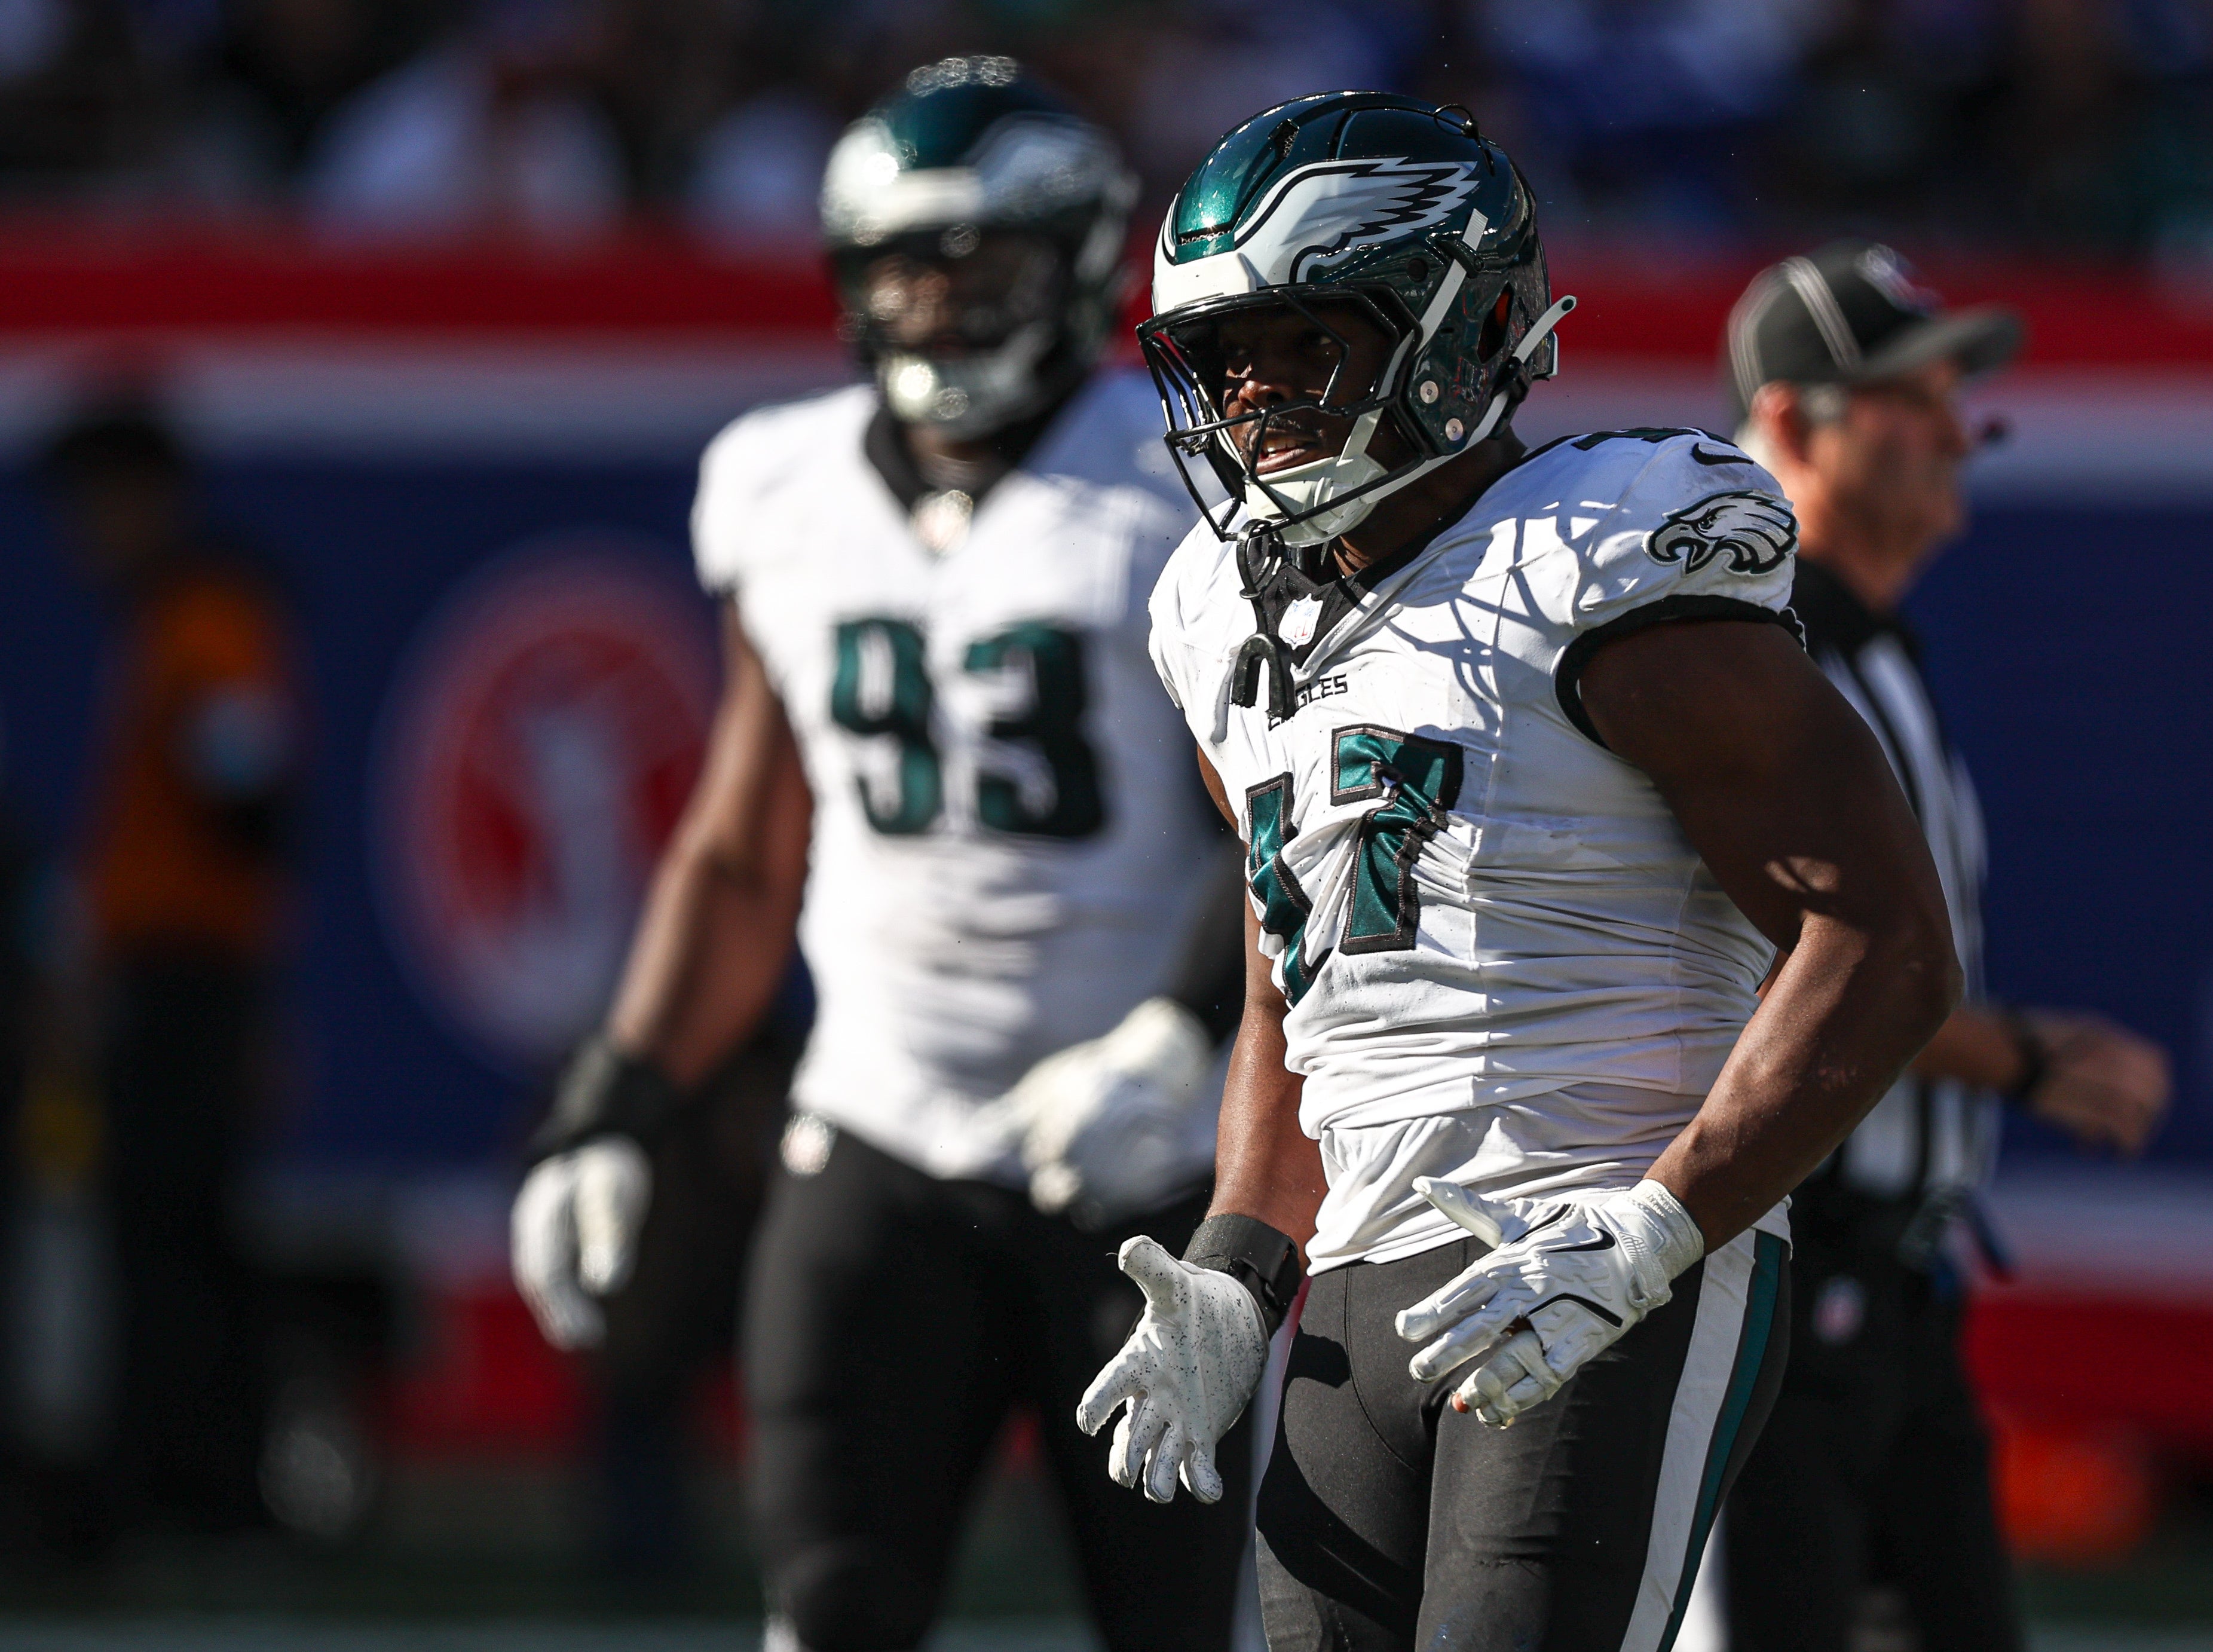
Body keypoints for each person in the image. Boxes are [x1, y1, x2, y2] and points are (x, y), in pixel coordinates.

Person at [1076, 92, 1963, 1651]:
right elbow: (1307, 967)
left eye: (1306, 345)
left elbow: (1881, 939)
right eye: (1225, 360)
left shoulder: (1602, 560)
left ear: (1461, 323)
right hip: (1358, 1268)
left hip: (1601, 1252)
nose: (1255, 397)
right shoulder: (1215, 613)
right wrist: (1236, 1256)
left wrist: (1658, 1225)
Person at [506, 57, 1254, 1652]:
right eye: (898, 266)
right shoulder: (777, 483)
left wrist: (1179, 1033)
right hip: (875, 1127)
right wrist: (620, 1097)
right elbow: (738, 846)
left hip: (1133, 1149)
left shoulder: (1171, 483)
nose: (931, 304)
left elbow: (1275, 834)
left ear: (1067, 261)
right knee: (832, 1612)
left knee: (1188, 1620)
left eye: (970, 263)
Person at [1713, 241, 2174, 1652]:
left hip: (1898, 1283)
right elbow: (1795, 952)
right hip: (1778, 1278)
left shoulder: (1877, 644)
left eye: (1956, 393)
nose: (1957, 425)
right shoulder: (1751, 646)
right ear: (1792, 420)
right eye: (1909, 397)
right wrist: (2019, 1054)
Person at [41, 400, 303, 1537]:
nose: (81, 533)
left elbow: (246, 794)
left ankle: (201, 1486)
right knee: (157, 1234)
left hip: (189, 973)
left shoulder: (206, 617)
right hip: (166, 970)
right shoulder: (163, 618)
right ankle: (175, 1477)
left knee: (175, 1233)